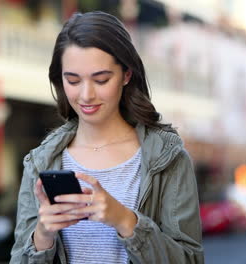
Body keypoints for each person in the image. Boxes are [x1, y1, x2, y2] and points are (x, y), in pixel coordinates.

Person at [10, 11, 204, 264]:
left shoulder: (167, 159)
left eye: (101, 79)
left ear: (126, 74)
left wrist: (125, 220)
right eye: (73, 80)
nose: (86, 95)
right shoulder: (40, 163)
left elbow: (190, 260)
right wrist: (43, 236)